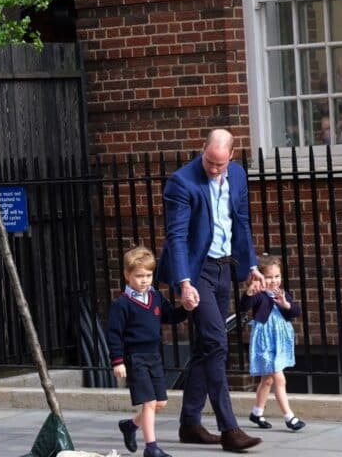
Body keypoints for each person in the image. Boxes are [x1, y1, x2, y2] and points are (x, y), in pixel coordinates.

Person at [156, 128, 265, 452]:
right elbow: (176, 237)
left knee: (206, 347)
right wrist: (183, 283)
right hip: (197, 270)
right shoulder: (182, 182)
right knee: (217, 343)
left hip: (223, 268)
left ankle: (190, 424)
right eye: (209, 162)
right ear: (203, 150)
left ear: (231, 156)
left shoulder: (238, 175)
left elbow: (241, 223)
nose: (215, 169)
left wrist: (250, 268)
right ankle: (229, 429)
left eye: (220, 164)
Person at [107, 245, 188, 457]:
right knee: (149, 402)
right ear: (126, 275)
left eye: (148, 275)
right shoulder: (121, 304)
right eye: (139, 276)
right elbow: (114, 334)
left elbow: (171, 317)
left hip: (154, 356)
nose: (144, 280)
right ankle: (151, 448)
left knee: (160, 402)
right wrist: (117, 361)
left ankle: (131, 426)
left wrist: (187, 308)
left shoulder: (156, 297)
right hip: (135, 359)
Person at [240, 254, 306, 432]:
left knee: (267, 380)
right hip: (265, 342)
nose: (274, 280)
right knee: (279, 378)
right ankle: (289, 417)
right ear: (261, 277)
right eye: (269, 277)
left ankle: (257, 412)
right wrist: (249, 292)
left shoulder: (282, 294)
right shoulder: (259, 295)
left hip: (280, 342)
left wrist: (286, 305)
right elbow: (244, 305)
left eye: (277, 276)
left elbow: (296, 311)